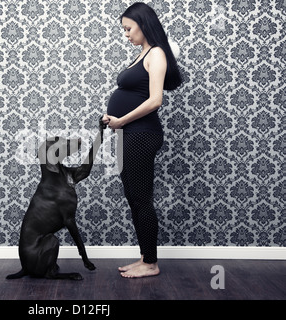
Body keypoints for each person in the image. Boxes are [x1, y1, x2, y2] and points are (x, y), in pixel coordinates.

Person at [102, 2, 182, 278]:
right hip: (128, 134)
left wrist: (122, 119)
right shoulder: (142, 54)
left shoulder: (157, 53)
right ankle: (145, 257)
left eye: (128, 28)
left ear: (144, 25)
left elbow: (155, 100)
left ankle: (151, 263)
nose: (125, 34)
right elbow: (132, 94)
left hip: (142, 134)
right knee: (134, 198)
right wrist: (113, 117)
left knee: (142, 199)